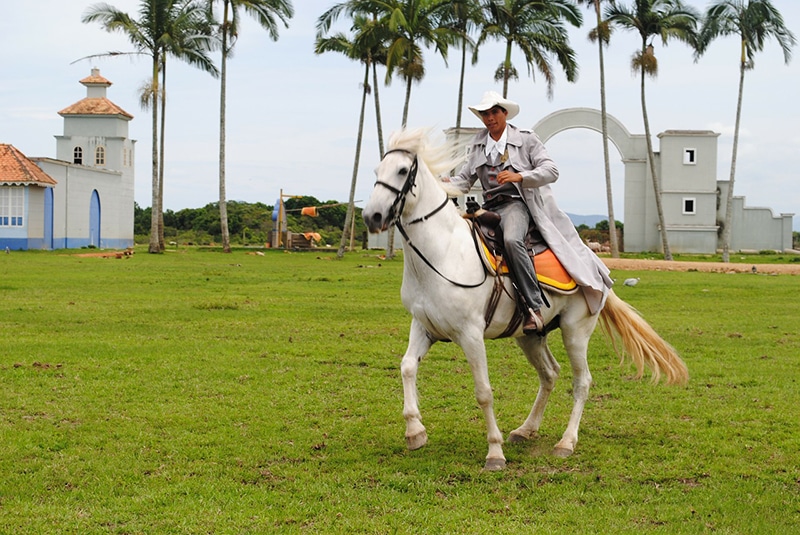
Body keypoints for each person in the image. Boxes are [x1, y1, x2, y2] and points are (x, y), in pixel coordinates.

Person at [448, 91, 613, 333]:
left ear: (504, 113)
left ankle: (533, 308)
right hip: (487, 207)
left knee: (512, 240)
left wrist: (521, 176)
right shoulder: (478, 144)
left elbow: (551, 170)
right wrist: (441, 182)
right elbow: (464, 180)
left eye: (494, 112)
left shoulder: (526, 140)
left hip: (515, 205)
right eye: (485, 113)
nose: (490, 117)